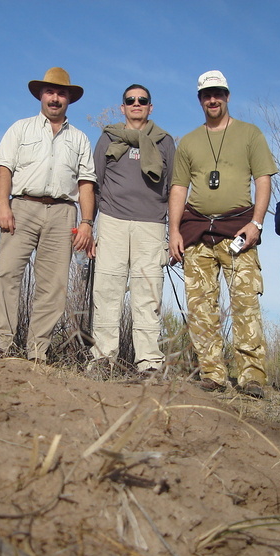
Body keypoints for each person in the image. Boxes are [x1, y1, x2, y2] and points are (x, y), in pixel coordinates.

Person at [168, 71, 277, 398]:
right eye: (206, 95)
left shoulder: (250, 134)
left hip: (238, 229)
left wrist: (256, 223)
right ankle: (212, 374)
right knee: (201, 306)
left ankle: (252, 376)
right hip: (197, 230)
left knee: (245, 303)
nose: (212, 99)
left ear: (227, 96)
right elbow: (178, 188)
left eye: (217, 93)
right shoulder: (187, 141)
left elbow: (263, 179)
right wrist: (173, 230)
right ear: (200, 99)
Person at [0, 67, 97, 363]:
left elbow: (86, 183)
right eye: (50, 92)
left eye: (61, 93)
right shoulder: (20, 128)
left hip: (63, 212)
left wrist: (87, 223)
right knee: (8, 273)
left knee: (53, 285)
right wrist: (3, 206)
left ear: (69, 99)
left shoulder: (80, 139)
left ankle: (38, 351)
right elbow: (4, 168)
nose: (55, 98)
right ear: (40, 95)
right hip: (22, 207)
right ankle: (0, 345)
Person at [89, 84, 176, 378]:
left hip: (152, 225)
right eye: (130, 100)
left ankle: (149, 363)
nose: (136, 104)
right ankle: (102, 359)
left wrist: (171, 228)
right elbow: (95, 182)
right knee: (107, 290)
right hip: (113, 222)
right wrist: (93, 224)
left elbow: (173, 185)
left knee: (148, 295)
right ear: (123, 107)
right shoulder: (108, 138)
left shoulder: (165, 142)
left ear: (150, 107)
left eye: (142, 100)